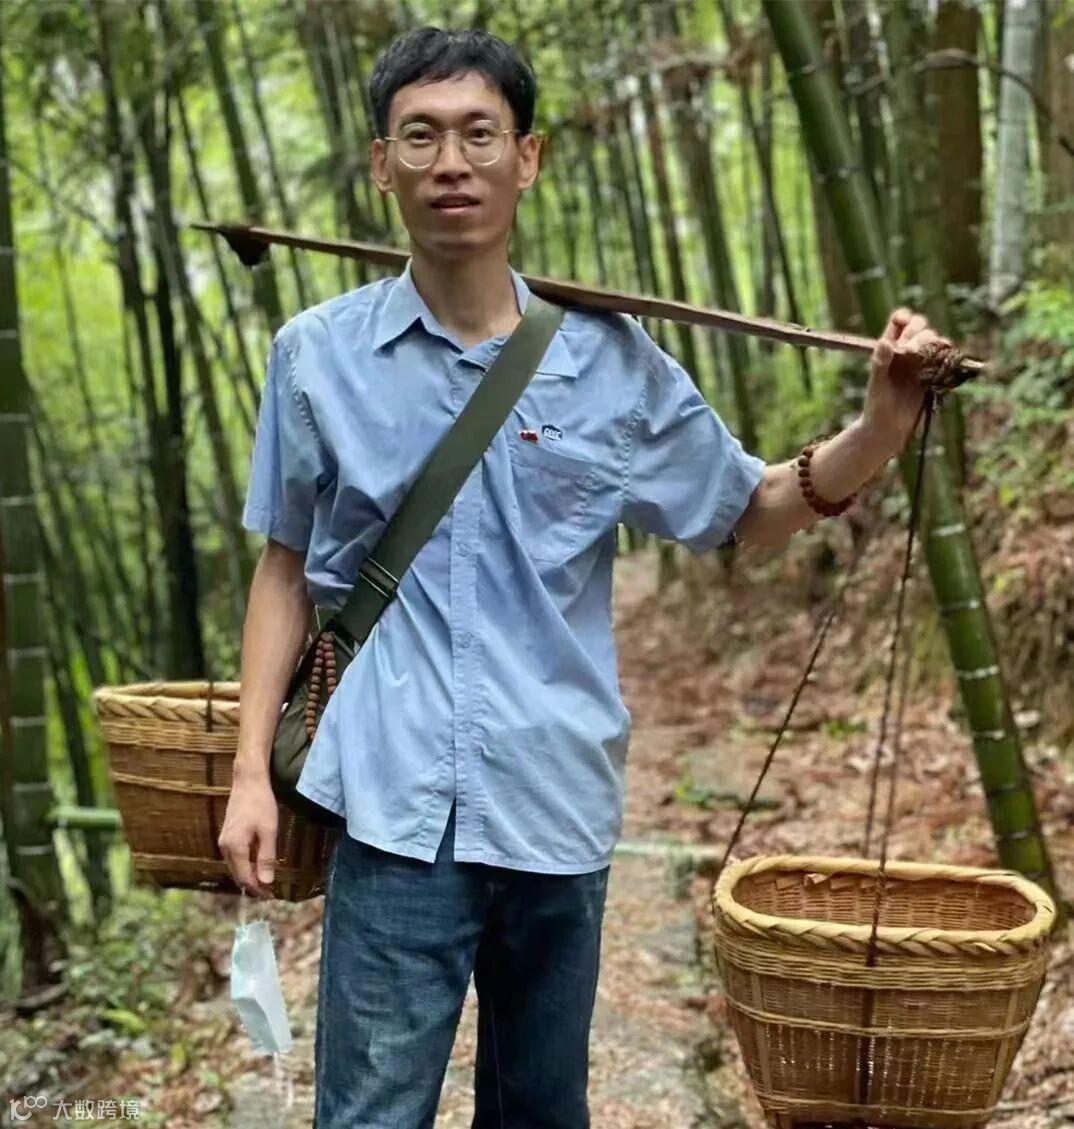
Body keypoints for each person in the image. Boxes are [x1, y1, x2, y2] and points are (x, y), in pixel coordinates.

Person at [218, 25, 948, 1129]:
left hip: (554, 801)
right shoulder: (315, 356)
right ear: (380, 165)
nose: (451, 163)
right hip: (391, 807)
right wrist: (248, 775)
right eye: (421, 136)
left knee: (543, 1111)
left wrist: (881, 426)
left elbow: (751, 509)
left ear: (529, 157)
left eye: (480, 135)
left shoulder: (610, 363)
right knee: (368, 1114)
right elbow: (283, 568)